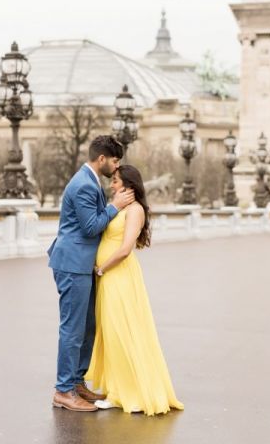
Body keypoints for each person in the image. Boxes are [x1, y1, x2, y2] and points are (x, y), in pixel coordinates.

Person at [86, 165, 184, 415]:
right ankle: (117, 389)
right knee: (112, 333)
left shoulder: (136, 210)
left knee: (121, 332)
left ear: (129, 185)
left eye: (116, 181)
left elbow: (125, 248)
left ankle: (127, 394)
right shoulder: (122, 208)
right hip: (110, 276)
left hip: (117, 275)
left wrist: (100, 269)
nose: (112, 185)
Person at [48, 136, 134, 412]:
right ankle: (63, 390)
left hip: (81, 264)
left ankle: (76, 382)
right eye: (115, 160)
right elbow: (90, 227)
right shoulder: (84, 184)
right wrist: (115, 207)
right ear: (102, 159)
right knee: (73, 329)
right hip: (73, 264)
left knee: (87, 327)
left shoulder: (91, 181)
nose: (117, 166)